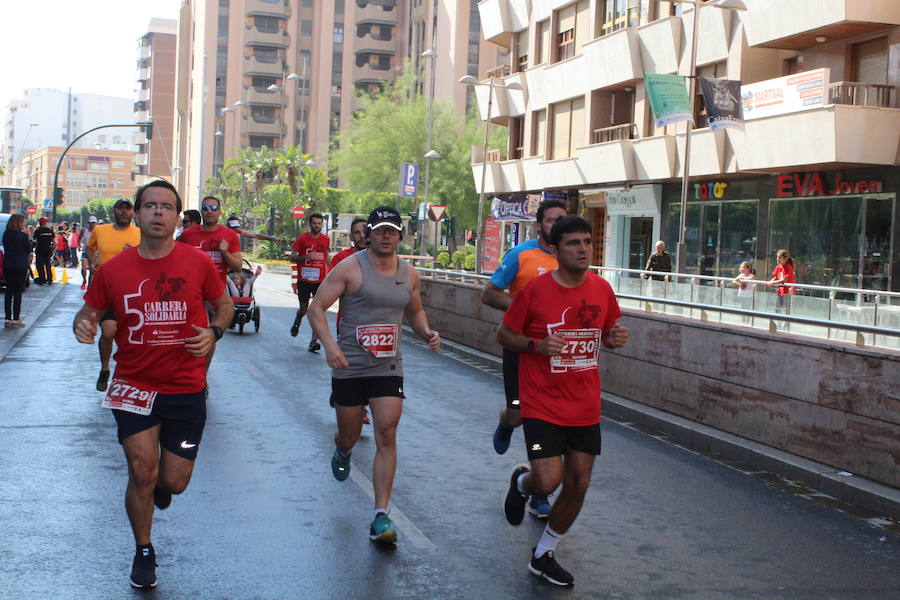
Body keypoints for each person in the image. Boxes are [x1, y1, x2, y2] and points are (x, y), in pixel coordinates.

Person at [72, 179, 234, 590]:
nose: (158, 212)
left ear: (178, 217)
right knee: (142, 471)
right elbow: (89, 310)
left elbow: (225, 305)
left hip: (185, 386)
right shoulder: (113, 269)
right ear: (138, 214)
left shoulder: (197, 263)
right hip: (134, 385)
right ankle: (144, 549)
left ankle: (162, 488)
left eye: (167, 207)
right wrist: (83, 324)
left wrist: (214, 331)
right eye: (150, 205)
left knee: (173, 481)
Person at [498, 216, 628, 587]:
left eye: (587, 241)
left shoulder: (602, 288)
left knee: (578, 483)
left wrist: (613, 338)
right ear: (555, 251)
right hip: (541, 404)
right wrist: (535, 345)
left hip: (585, 405)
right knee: (548, 479)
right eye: (573, 243)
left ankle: (544, 553)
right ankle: (523, 484)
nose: (583, 248)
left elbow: (605, 332)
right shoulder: (535, 291)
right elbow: (503, 334)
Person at [307, 206, 440, 544]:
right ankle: (344, 449)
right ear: (369, 233)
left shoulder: (408, 273)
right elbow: (316, 307)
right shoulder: (350, 268)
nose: (385, 236)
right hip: (349, 365)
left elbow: (415, 309)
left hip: (387, 366)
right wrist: (330, 347)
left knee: (387, 432)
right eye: (379, 230)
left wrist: (426, 332)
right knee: (349, 434)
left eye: (391, 231)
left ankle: (381, 515)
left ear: (399, 235)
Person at [480, 199, 567, 519]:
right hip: (520, 346)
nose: (556, 225)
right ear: (539, 224)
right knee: (520, 412)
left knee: (547, 421)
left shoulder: (570, 258)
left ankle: (540, 490)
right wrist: (523, 311)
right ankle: (506, 421)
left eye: (563, 220)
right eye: (551, 220)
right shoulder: (521, 255)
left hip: (557, 353)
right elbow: (488, 293)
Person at [86, 198, 142, 391]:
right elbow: (89, 247)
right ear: (114, 212)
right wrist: (92, 262)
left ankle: (127, 373)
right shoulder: (100, 230)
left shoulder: (140, 234)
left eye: (128, 209)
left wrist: (136, 253)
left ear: (133, 213)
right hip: (107, 290)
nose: (124, 212)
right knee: (108, 332)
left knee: (132, 336)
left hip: (133, 293)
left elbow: (154, 257)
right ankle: (104, 368)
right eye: (120, 208)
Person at [290, 213, 330, 352]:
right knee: (304, 309)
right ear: (310, 224)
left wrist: (332, 269)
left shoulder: (326, 240)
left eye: (319, 223)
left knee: (318, 311)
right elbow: (292, 258)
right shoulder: (302, 239)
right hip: (304, 280)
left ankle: (313, 341)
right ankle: (297, 320)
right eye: (315, 223)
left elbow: (326, 257)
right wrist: (305, 257)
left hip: (319, 280)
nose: (317, 226)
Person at [177, 196, 242, 284]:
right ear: (201, 211)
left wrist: (226, 253)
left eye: (214, 208)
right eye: (205, 208)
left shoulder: (230, 235)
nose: (209, 211)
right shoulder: (187, 234)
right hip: (191, 290)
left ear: (219, 212)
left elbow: (238, 267)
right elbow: (177, 263)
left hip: (217, 293)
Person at [3, 214, 32, 328]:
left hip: (8, 265)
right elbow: (28, 249)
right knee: (18, 292)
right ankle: (16, 319)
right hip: (20, 265)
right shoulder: (22, 235)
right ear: (19, 223)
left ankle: (7, 318)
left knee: (9, 291)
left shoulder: (6, 234)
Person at [763, 249, 795, 331]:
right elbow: (776, 277)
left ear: (786, 259)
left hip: (788, 292)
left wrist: (772, 283)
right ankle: (780, 323)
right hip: (780, 291)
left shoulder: (788, 267)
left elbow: (784, 280)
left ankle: (786, 325)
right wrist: (770, 281)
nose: (777, 259)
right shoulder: (778, 267)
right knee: (777, 308)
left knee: (786, 309)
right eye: (777, 257)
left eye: (780, 257)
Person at [32, 217, 56, 284]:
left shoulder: (37, 231)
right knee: (48, 265)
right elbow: (54, 242)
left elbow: (34, 241)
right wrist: (52, 250)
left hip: (39, 250)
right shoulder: (50, 231)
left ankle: (42, 279)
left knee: (40, 265)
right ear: (46, 223)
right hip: (48, 250)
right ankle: (50, 279)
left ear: (40, 223)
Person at [80, 216, 98, 290]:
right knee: (84, 268)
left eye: (94, 222)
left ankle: (89, 287)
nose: (92, 224)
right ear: (89, 223)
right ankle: (84, 280)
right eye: (91, 222)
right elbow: (79, 238)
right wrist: (78, 245)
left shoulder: (98, 231)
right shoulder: (84, 231)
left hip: (94, 253)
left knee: (92, 270)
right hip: (85, 251)